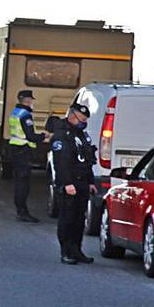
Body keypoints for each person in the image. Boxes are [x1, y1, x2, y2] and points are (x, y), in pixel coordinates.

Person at [52, 103, 98, 264]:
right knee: (67, 218)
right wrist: (66, 183)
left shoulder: (82, 136)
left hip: (83, 183)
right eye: (81, 119)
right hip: (69, 184)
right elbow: (61, 162)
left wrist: (91, 181)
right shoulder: (61, 135)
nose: (83, 122)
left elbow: (87, 161)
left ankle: (77, 250)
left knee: (79, 219)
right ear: (72, 116)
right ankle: (66, 251)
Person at [7, 89, 50, 222]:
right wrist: (44, 136)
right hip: (23, 151)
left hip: (15, 148)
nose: (32, 102)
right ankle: (22, 211)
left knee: (19, 181)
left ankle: (20, 209)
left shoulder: (15, 112)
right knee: (23, 184)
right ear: (28, 100)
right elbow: (30, 136)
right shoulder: (25, 115)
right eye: (31, 100)